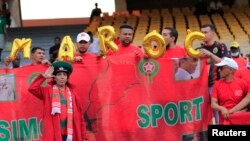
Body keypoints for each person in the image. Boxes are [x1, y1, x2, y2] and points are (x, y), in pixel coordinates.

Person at [28, 61, 88, 141]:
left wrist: (83, 136)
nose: (62, 77)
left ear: (67, 78)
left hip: (71, 135)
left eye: (64, 75)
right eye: (59, 75)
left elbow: (80, 117)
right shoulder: (47, 92)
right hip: (53, 135)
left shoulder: (73, 95)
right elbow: (32, 88)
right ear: (54, 78)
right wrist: (44, 77)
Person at [198, 24, 230, 124]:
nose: (203, 35)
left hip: (216, 84)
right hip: (200, 86)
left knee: (217, 111)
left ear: (213, 33)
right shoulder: (198, 49)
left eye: (205, 32)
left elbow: (226, 63)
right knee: (202, 112)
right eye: (201, 32)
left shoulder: (221, 46)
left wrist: (211, 55)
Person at [211, 57, 250, 125]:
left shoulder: (242, 83)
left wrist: (243, 110)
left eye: (221, 68)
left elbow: (248, 100)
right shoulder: (217, 84)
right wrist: (222, 109)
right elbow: (213, 104)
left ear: (231, 70)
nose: (219, 70)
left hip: (238, 120)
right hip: (224, 120)